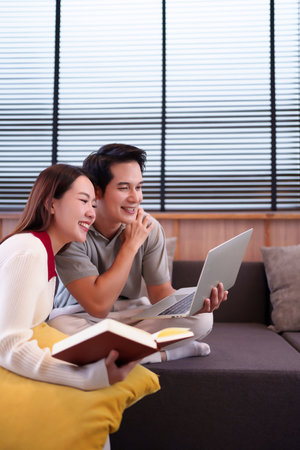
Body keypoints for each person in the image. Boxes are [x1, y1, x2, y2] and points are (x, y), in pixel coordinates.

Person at [51, 144, 228, 363]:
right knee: (58, 329)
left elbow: (160, 294)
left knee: (202, 320)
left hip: (131, 313)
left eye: (139, 187)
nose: (136, 198)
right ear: (96, 191)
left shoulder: (150, 228)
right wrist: (130, 246)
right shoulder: (73, 230)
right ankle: (164, 354)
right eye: (124, 188)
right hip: (79, 316)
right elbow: (97, 306)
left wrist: (194, 304)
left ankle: (106, 354)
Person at [0, 163, 139, 390]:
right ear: (50, 203)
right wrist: (84, 377)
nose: (91, 213)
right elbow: (8, 345)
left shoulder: (46, 254)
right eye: (83, 201)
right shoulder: (28, 252)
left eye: (94, 204)